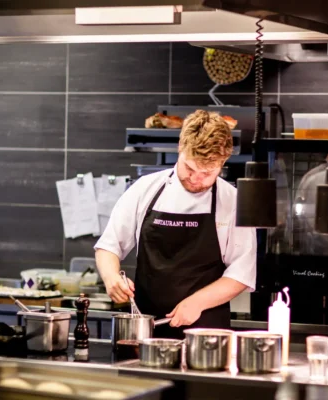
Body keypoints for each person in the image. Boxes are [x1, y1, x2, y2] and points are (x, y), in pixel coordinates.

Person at [94, 110, 257, 339]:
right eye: (190, 168)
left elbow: (241, 273)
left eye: (207, 173)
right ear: (181, 147)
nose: (196, 179)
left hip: (206, 336)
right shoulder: (145, 189)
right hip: (146, 331)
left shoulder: (232, 202)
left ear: (223, 162)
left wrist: (197, 302)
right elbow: (109, 246)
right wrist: (111, 277)